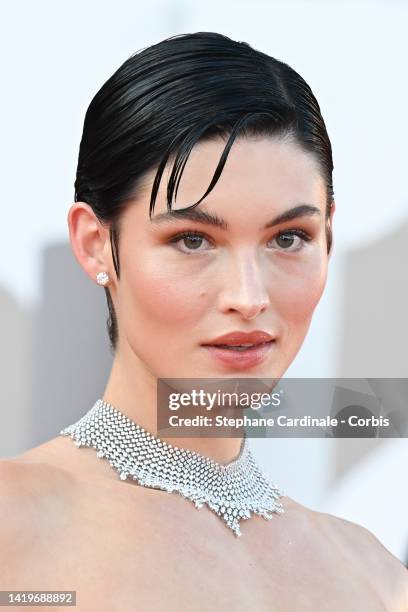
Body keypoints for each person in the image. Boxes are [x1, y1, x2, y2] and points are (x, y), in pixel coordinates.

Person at [1, 31, 407, 611]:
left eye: (289, 238)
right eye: (193, 240)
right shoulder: (13, 528)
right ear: (95, 245)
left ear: (330, 236)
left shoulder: (376, 579)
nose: (248, 296)